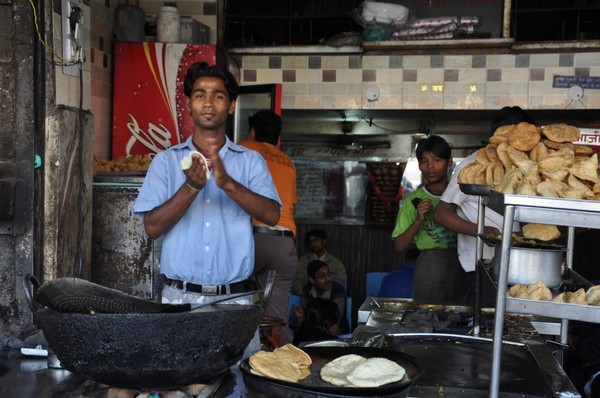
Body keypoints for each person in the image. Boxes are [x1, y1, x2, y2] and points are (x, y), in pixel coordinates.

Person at [133, 61, 281, 309]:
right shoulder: (165, 161)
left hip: (235, 299)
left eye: (219, 96)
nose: (209, 103)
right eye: (200, 95)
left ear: (231, 106)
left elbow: (272, 215)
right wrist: (190, 187)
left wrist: (228, 184)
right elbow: (152, 227)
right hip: (179, 298)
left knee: (241, 351)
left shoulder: (250, 161)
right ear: (189, 104)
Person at [433, 106, 535, 304]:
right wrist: (482, 231)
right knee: (482, 326)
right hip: (477, 268)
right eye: (520, 138)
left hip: (516, 268)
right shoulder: (472, 166)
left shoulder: (523, 166)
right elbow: (441, 213)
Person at [239, 109, 298, 345]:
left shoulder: (245, 147)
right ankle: (284, 369)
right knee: (276, 318)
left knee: (231, 302)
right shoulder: (289, 163)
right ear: (278, 137)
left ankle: (235, 361)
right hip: (285, 243)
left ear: (252, 131)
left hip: (254, 239)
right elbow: (292, 208)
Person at [391, 135, 461, 303]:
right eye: (424, 161)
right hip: (429, 266)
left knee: (463, 318)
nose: (430, 167)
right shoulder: (412, 201)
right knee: (428, 318)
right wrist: (418, 221)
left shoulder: (462, 194)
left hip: (463, 262)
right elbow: (399, 247)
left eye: (437, 160)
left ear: (449, 162)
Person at [293, 260, 349, 335]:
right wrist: (300, 317)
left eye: (328, 274)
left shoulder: (338, 292)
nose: (327, 279)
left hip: (337, 332)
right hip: (313, 330)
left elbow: (334, 328)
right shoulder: (307, 290)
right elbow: (308, 319)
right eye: (322, 276)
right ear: (312, 280)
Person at [293, 229, 346, 295]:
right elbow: (297, 280)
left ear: (324, 241)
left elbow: (339, 282)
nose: (313, 244)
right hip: (308, 298)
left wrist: (325, 295)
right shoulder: (304, 260)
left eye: (316, 240)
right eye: (311, 242)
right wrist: (305, 294)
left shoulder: (336, 263)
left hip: (329, 300)